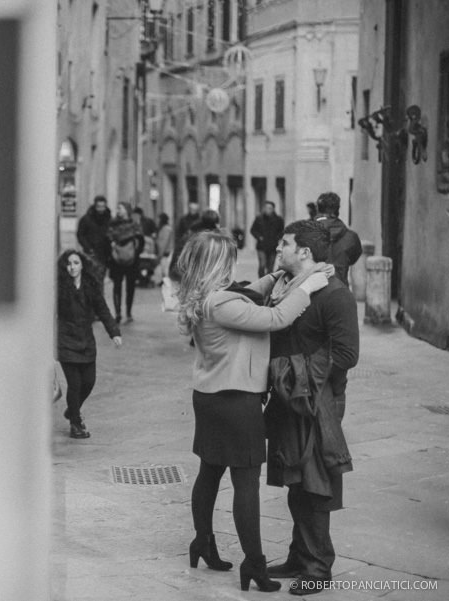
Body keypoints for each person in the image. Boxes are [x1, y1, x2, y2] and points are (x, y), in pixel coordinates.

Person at [175, 230, 328, 593]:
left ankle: (203, 542)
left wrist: (277, 277)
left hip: (210, 398)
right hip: (236, 401)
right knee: (246, 484)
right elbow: (275, 318)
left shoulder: (208, 297)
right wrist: (306, 288)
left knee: (210, 471)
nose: (232, 263)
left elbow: (247, 290)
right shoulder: (222, 304)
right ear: (215, 264)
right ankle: (255, 566)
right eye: (227, 258)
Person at [264, 220, 359, 595]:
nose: (278, 249)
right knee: (294, 480)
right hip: (290, 399)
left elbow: (347, 354)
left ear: (304, 252)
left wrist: (296, 373)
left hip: (318, 400)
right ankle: (299, 555)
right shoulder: (290, 288)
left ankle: (319, 568)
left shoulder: (335, 295)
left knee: (316, 484)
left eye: (284, 245)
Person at [56, 249, 122, 439]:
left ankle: (72, 409)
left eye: (76, 263)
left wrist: (114, 332)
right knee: (74, 384)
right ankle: (76, 423)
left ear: (82, 265)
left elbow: (103, 310)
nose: (72, 267)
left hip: (85, 341)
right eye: (68, 264)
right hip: (65, 340)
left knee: (89, 382)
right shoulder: (59, 287)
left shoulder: (90, 286)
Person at [107, 202, 145, 322]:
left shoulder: (134, 224)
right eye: (117, 208)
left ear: (127, 210)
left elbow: (141, 240)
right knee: (117, 285)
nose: (118, 210)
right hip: (116, 259)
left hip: (132, 260)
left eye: (120, 208)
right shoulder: (112, 223)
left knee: (130, 286)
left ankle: (128, 312)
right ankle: (118, 313)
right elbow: (107, 238)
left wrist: (135, 252)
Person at [314, 192, 362, 287]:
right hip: (340, 289)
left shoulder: (305, 234)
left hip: (313, 291)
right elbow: (354, 257)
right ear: (337, 210)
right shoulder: (351, 237)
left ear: (318, 209)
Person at [76, 195, 112, 284]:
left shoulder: (109, 219)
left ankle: (99, 296)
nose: (101, 209)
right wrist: (87, 247)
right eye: (99, 207)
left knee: (100, 278)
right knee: (90, 278)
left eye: (103, 207)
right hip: (90, 253)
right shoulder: (86, 219)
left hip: (104, 253)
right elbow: (80, 234)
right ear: (95, 206)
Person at [250, 201, 285, 278]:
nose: (267, 210)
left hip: (273, 246)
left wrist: (277, 238)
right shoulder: (259, 218)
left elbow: (282, 231)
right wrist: (259, 237)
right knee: (262, 265)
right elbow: (252, 230)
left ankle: (267, 283)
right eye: (266, 208)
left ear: (273, 209)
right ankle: (260, 281)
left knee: (270, 267)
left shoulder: (278, 220)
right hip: (261, 246)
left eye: (269, 208)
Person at [155, 212, 174, 284]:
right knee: (164, 269)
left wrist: (160, 254)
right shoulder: (164, 228)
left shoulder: (166, 229)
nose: (157, 221)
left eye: (158, 219)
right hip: (164, 252)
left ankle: (165, 283)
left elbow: (164, 243)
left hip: (165, 253)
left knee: (165, 270)